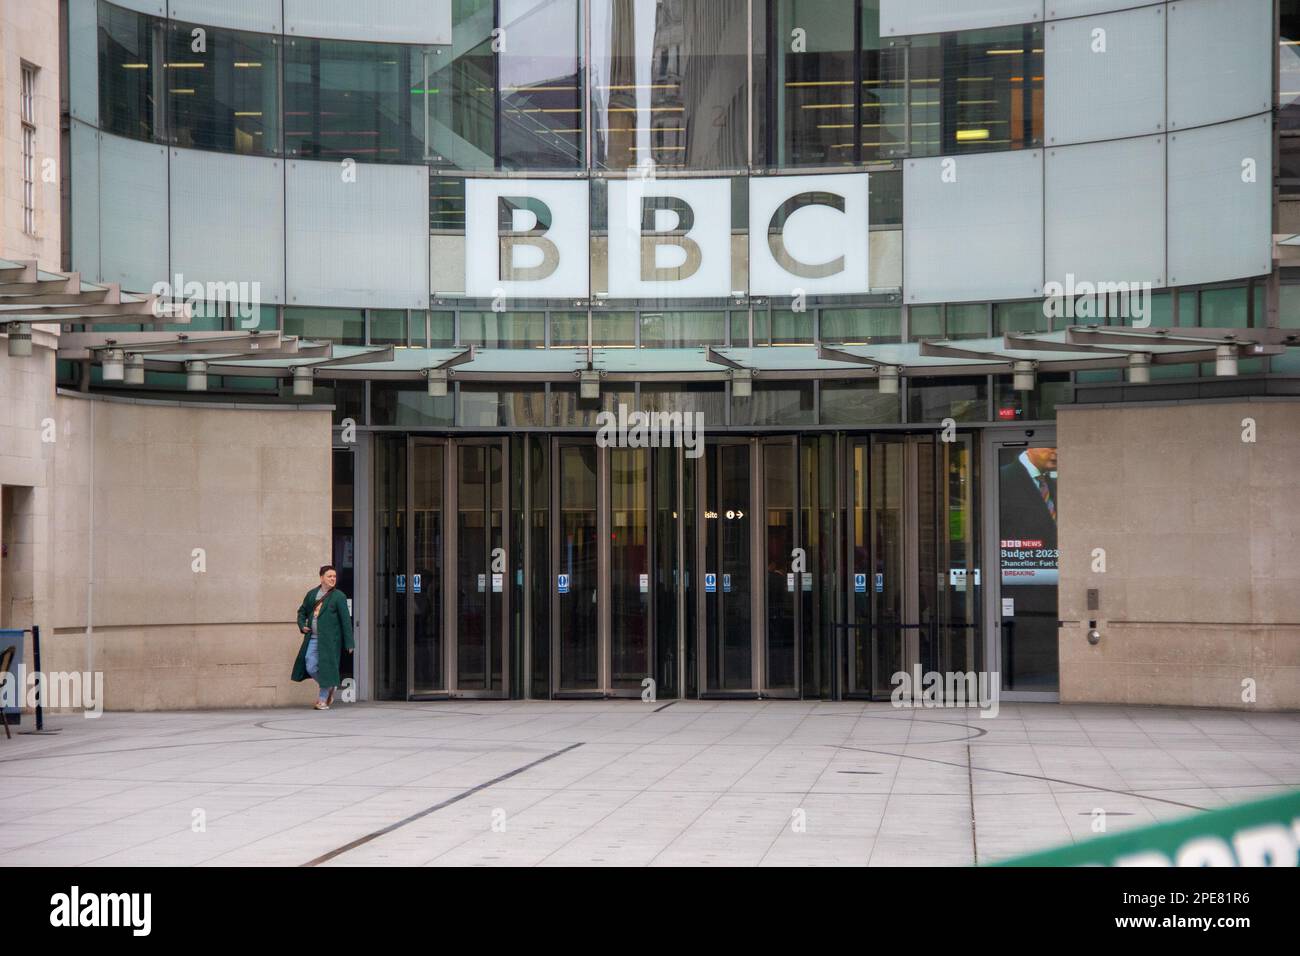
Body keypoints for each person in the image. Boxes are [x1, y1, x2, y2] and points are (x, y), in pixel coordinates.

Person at [291, 565, 354, 710]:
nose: (333, 579)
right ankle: (330, 685)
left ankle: (322, 700)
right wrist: (302, 625)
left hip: (330, 641)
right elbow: (301, 612)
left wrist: (349, 643)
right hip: (312, 638)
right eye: (329, 576)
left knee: (326, 668)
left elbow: (345, 621)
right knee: (310, 665)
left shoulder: (339, 596)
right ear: (321, 578)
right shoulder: (312, 594)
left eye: (334, 576)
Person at [999, 447, 1058, 548]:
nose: (1057, 451)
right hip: (1019, 560)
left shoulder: (1050, 482)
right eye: (1052, 447)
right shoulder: (1001, 478)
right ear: (1031, 447)